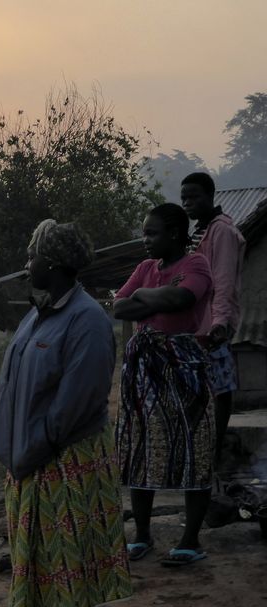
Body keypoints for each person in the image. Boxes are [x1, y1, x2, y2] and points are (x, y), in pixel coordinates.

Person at [0, 220, 132, 607]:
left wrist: (39, 444)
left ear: (52, 264)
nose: (26, 264)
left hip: (68, 457)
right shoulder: (38, 313)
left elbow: (77, 399)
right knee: (31, 546)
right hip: (27, 455)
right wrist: (14, 446)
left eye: (32, 257)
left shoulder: (87, 320)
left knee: (78, 546)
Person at [114, 203, 215, 567]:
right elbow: (119, 308)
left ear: (174, 233)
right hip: (144, 370)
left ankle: (191, 539)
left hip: (184, 366)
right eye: (144, 232)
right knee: (141, 445)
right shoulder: (145, 268)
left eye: (151, 233)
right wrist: (146, 298)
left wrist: (141, 298)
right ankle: (142, 535)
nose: (145, 240)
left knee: (193, 446)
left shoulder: (195, 265)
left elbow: (182, 298)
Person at [180, 173, 246, 474]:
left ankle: (215, 451)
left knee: (219, 388)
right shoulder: (199, 232)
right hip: (197, 322)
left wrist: (218, 324)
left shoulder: (222, 232)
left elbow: (223, 281)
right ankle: (201, 450)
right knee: (199, 388)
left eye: (194, 197)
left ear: (210, 196)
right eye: (184, 198)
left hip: (214, 322)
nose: (188, 203)